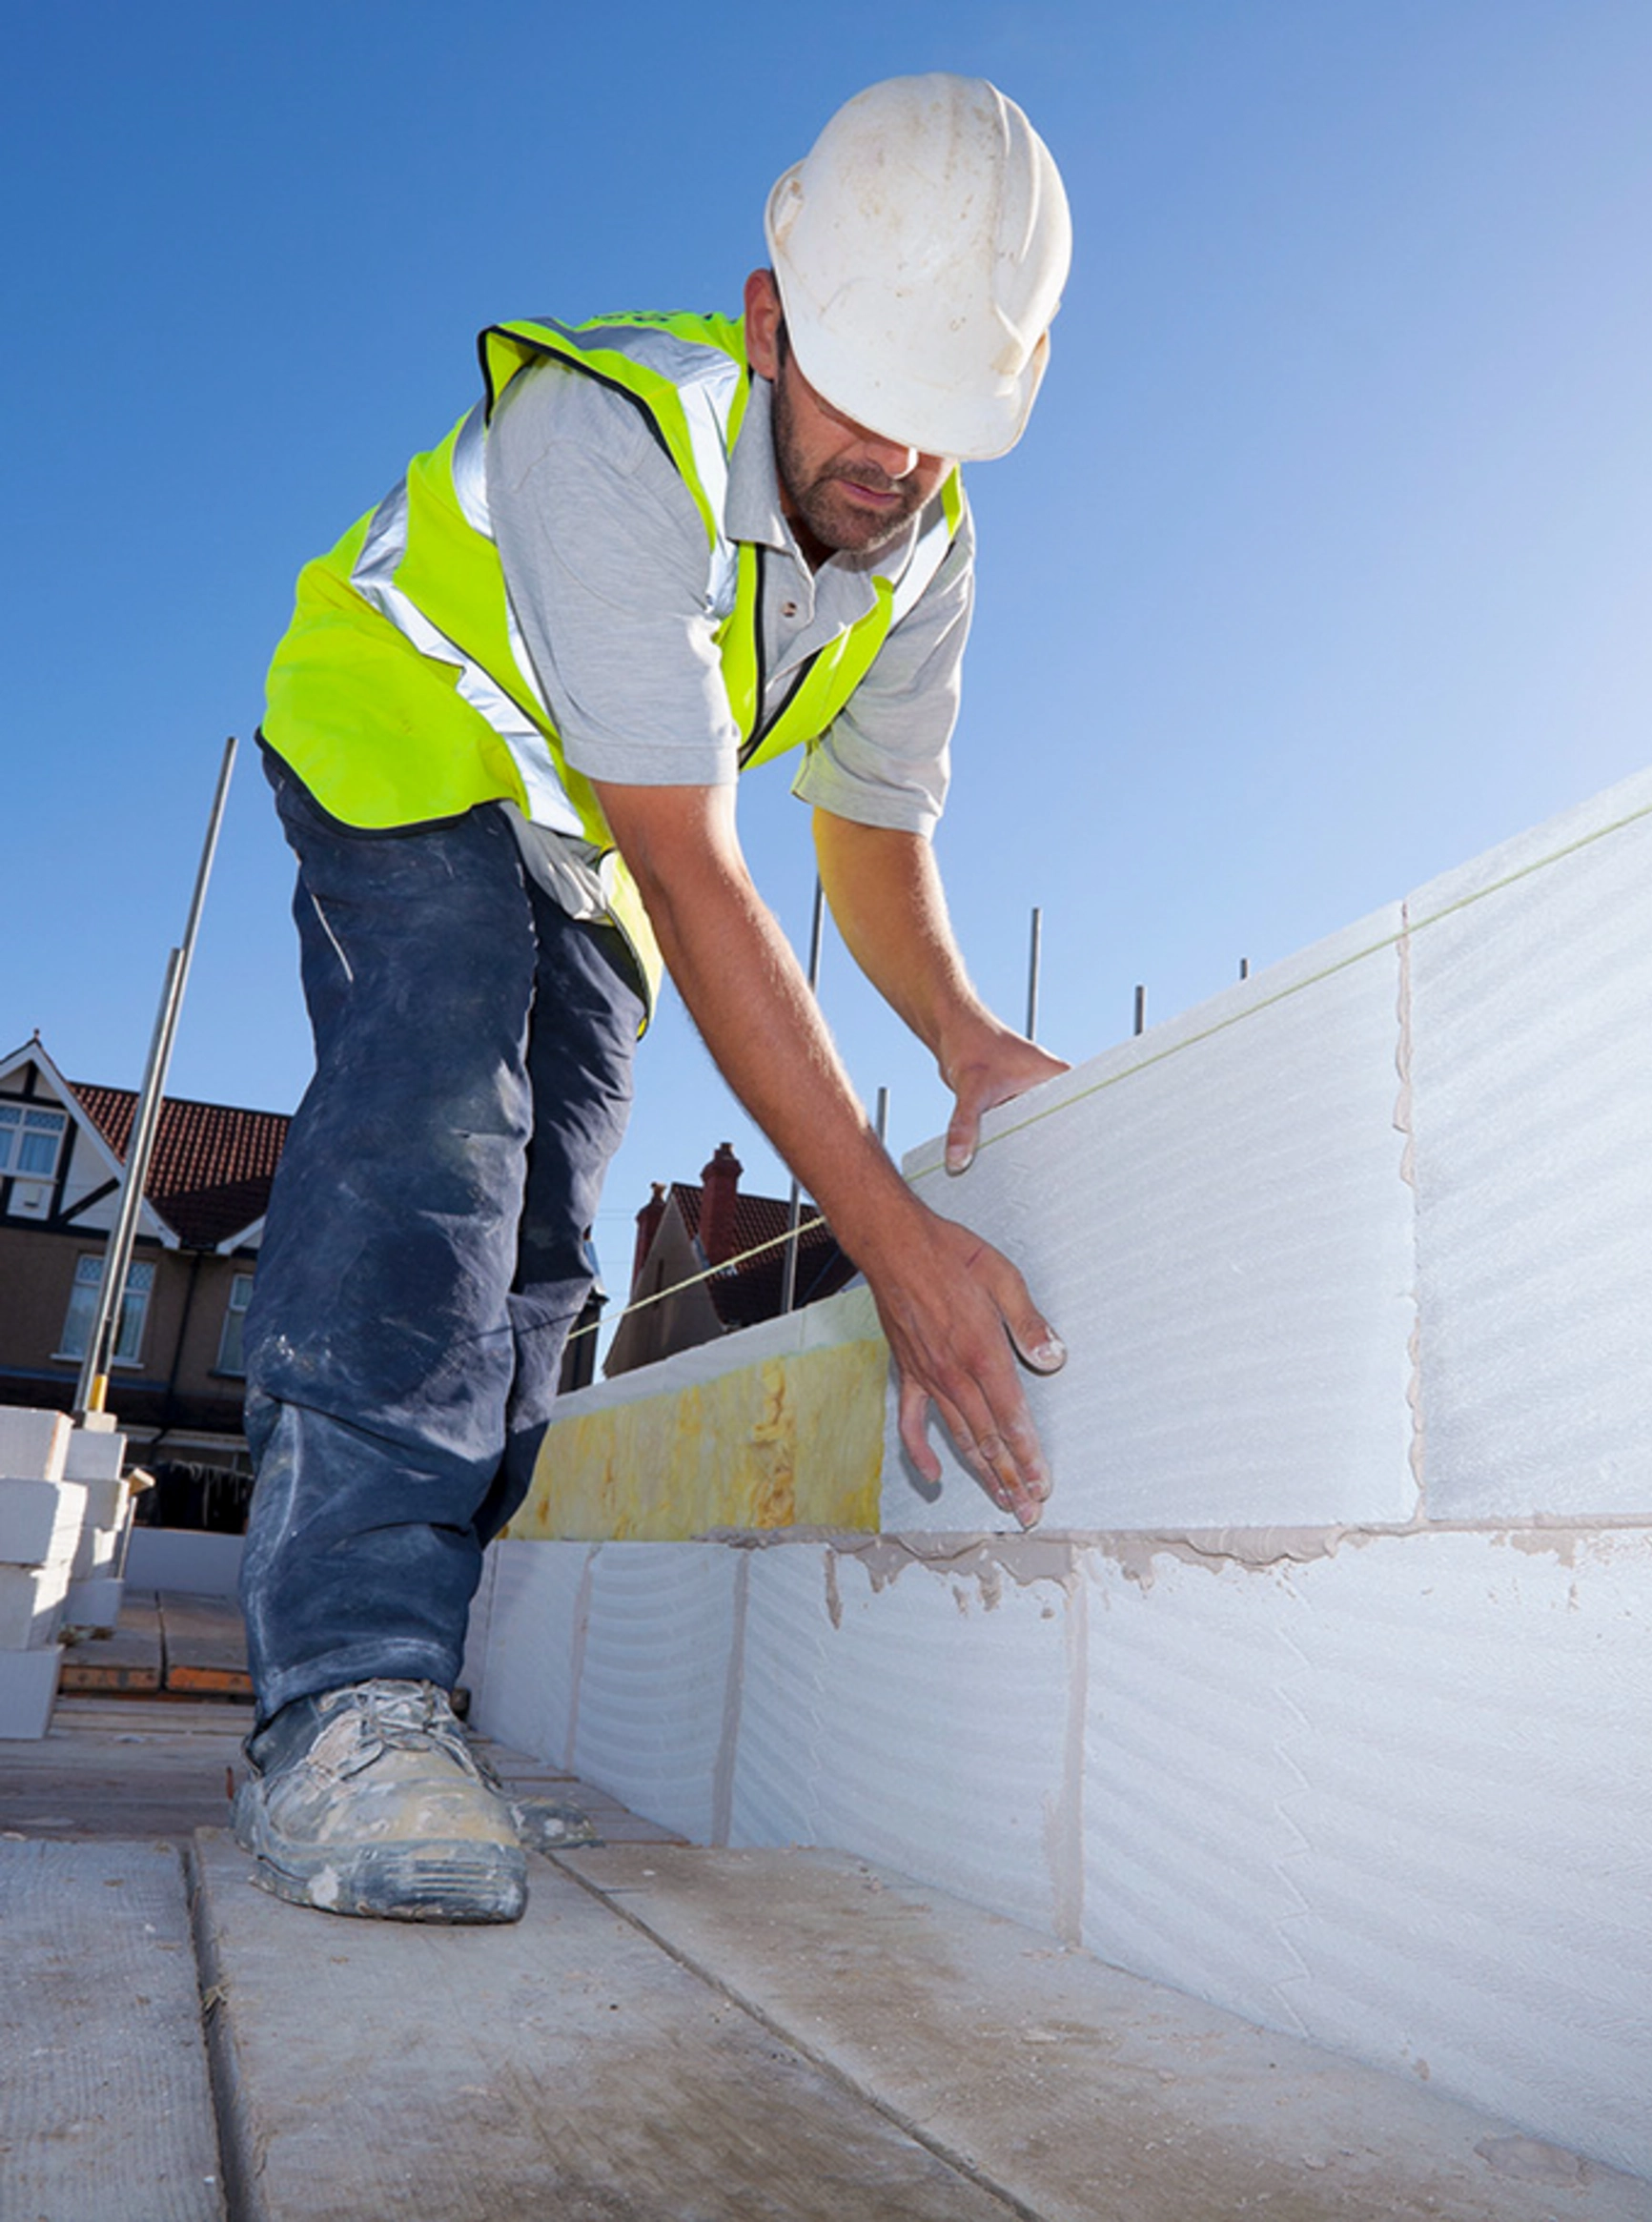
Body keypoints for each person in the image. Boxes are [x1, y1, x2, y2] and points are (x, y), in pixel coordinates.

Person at [231, 75, 1074, 1925]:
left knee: (541, 1252)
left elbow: (865, 834)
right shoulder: (611, 430)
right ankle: (340, 1694)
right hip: (411, 729)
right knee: (441, 1113)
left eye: (949, 425)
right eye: (870, 394)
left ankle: (414, 1687)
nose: (901, 463)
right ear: (770, 321)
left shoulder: (919, 544)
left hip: (590, 839)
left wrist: (958, 1035)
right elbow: (706, 880)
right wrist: (891, 1238)